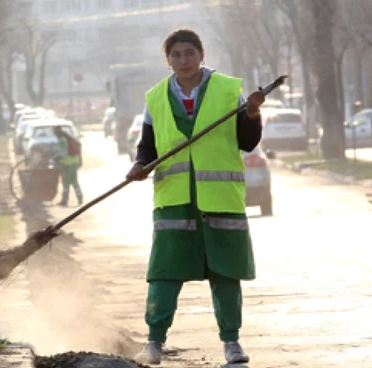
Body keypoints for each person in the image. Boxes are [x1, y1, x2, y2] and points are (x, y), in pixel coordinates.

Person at [126, 28, 265, 365]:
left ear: (201, 55)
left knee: (225, 273)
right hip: (174, 201)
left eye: (189, 53)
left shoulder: (228, 90)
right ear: (168, 60)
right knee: (164, 273)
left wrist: (252, 112)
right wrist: (139, 165)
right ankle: (154, 343)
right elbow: (148, 146)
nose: (183, 60)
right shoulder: (156, 97)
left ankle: (231, 343)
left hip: (220, 199)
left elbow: (246, 142)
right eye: (176, 54)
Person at [53, 125, 83, 207]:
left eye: (54, 132)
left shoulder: (61, 140)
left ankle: (64, 201)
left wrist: (55, 158)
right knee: (74, 181)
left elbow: (63, 153)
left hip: (66, 163)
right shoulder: (69, 137)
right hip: (74, 162)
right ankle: (80, 198)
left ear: (57, 132)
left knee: (65, 182)